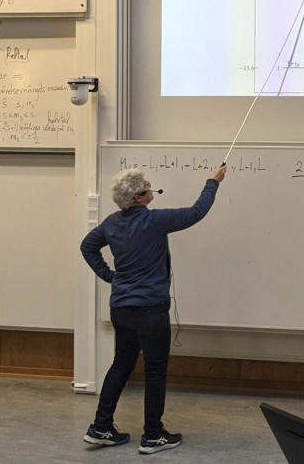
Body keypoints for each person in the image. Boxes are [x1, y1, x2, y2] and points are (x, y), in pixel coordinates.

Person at [80, 164, 226, 454]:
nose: (151, 187)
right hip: (151, 311)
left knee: (121, 365)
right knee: (156, 371)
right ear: (138, 197)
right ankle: (153, 435)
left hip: (121, 309)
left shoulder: (111, 223)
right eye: (147, 186)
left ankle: (100, 427)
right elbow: (197, 212)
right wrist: (213, 182)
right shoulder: (154, 221)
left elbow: (87, 247)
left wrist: (112, 277)